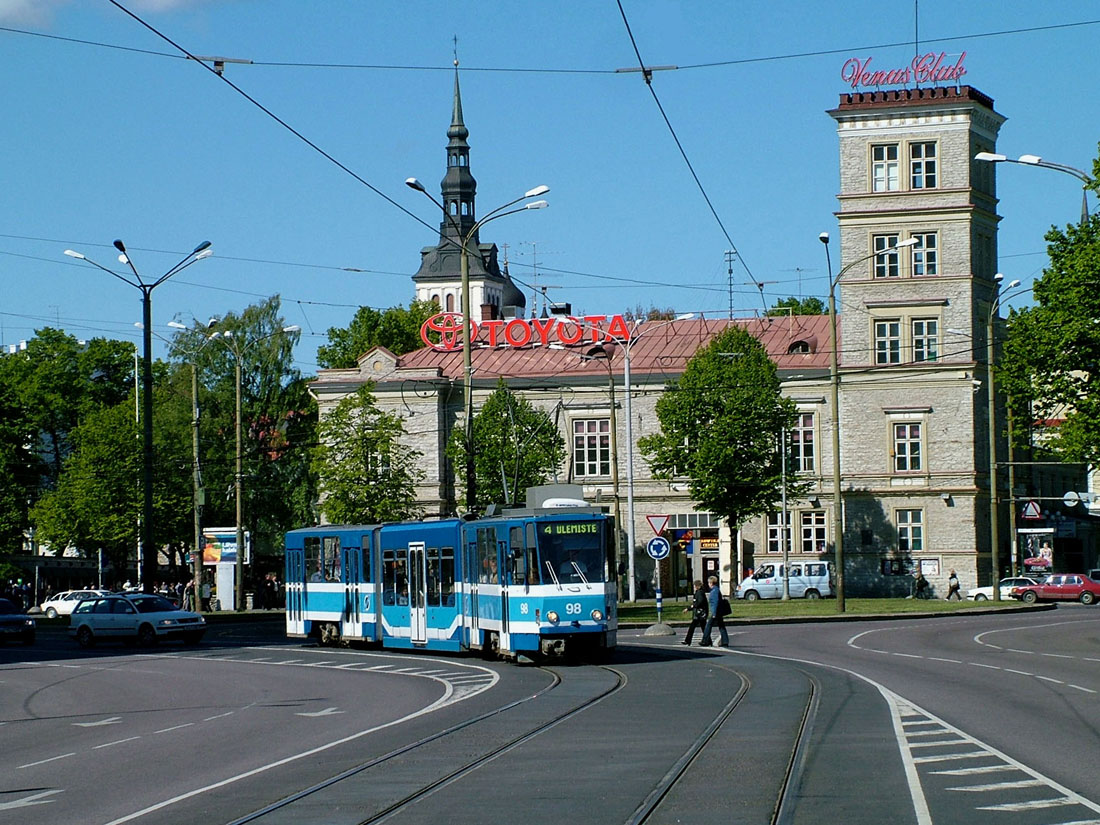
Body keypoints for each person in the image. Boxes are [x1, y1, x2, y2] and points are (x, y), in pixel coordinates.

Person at [700, 575, 729, 647]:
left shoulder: (714, 591)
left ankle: (705, 641)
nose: (708, 584)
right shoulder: (716, 590)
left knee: (708, 626)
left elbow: (715, 602)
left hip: (715, 612)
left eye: (709, 583)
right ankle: (725, 641)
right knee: (721, 626)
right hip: (718, 612)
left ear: (711, 583)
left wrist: (714, 613)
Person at [681, 580, 708, 646]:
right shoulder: (700, 592)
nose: (694, 587)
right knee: (703, 627)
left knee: (693, 627)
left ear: (697, 586)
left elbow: (699, 602)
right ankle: (707, 640)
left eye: (695, 586)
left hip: (699, 613)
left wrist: (690, 607)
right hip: (701, 613)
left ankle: (688, 640)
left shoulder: (699, 593)